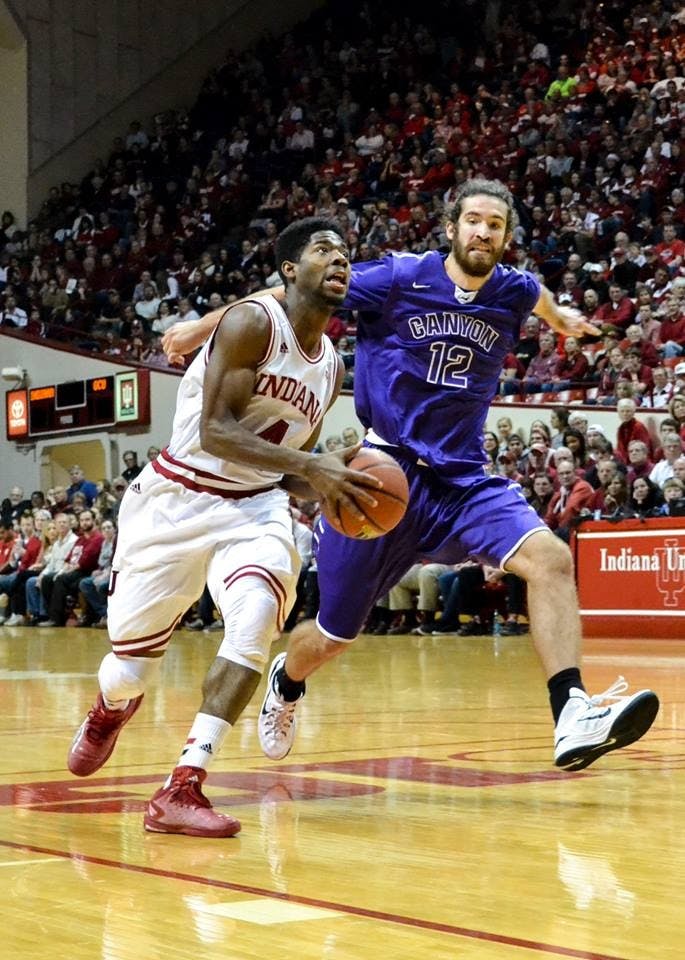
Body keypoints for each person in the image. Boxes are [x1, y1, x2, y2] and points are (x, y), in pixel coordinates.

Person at [165, 179, 659, 784]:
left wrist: (563, 321)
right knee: (332, 638)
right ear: (451, 227)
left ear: (506, 237)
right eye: (473, 220)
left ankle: (572, 713)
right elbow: (293, 288)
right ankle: (286, 680)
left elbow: (540, 298)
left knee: (551, 560)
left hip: (462, 479)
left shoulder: (513, 288)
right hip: (381, 476)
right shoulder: (398, 277)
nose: (483, 232)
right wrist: (200, 329)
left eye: (495, 225)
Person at [67, 218, 381, 838]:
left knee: (258, 614)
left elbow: (288, 467)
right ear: (289, 269)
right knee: (128, 670)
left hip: (252, 506)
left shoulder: (329, 366)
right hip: (173, 502)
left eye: (346, 253)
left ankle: (183, 783)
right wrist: (311, 465)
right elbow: (217, 431)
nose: (340, 260)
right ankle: (110, 709)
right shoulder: (252, 323)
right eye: (323, 250)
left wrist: (330, 484)